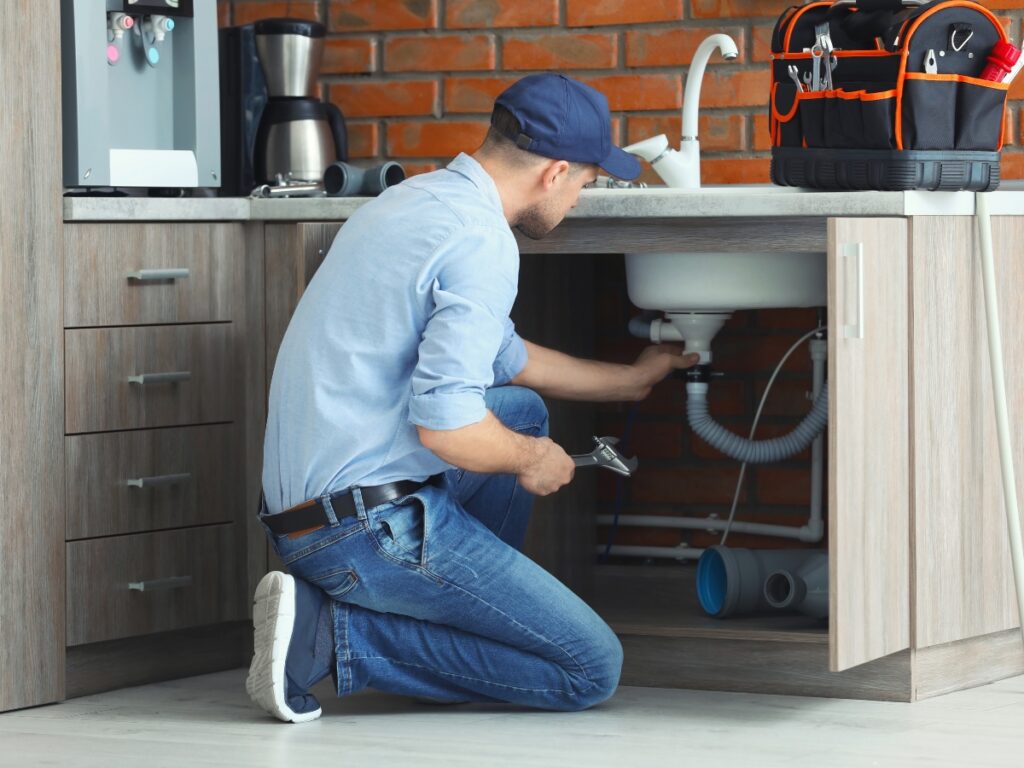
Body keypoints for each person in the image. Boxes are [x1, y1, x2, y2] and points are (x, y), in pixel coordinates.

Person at [247, 73, 700, 723]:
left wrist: (629, 380)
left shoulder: (418, 202)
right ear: (555, 173)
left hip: (303, 514)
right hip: (362, 531)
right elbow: (448, 430)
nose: (578, 199)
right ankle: (328, 636)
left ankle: (455, 616)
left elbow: (507, 359)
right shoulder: (484, 243)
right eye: (585, 184)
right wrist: (531, 460)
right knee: (589, 668)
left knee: (520, 410)